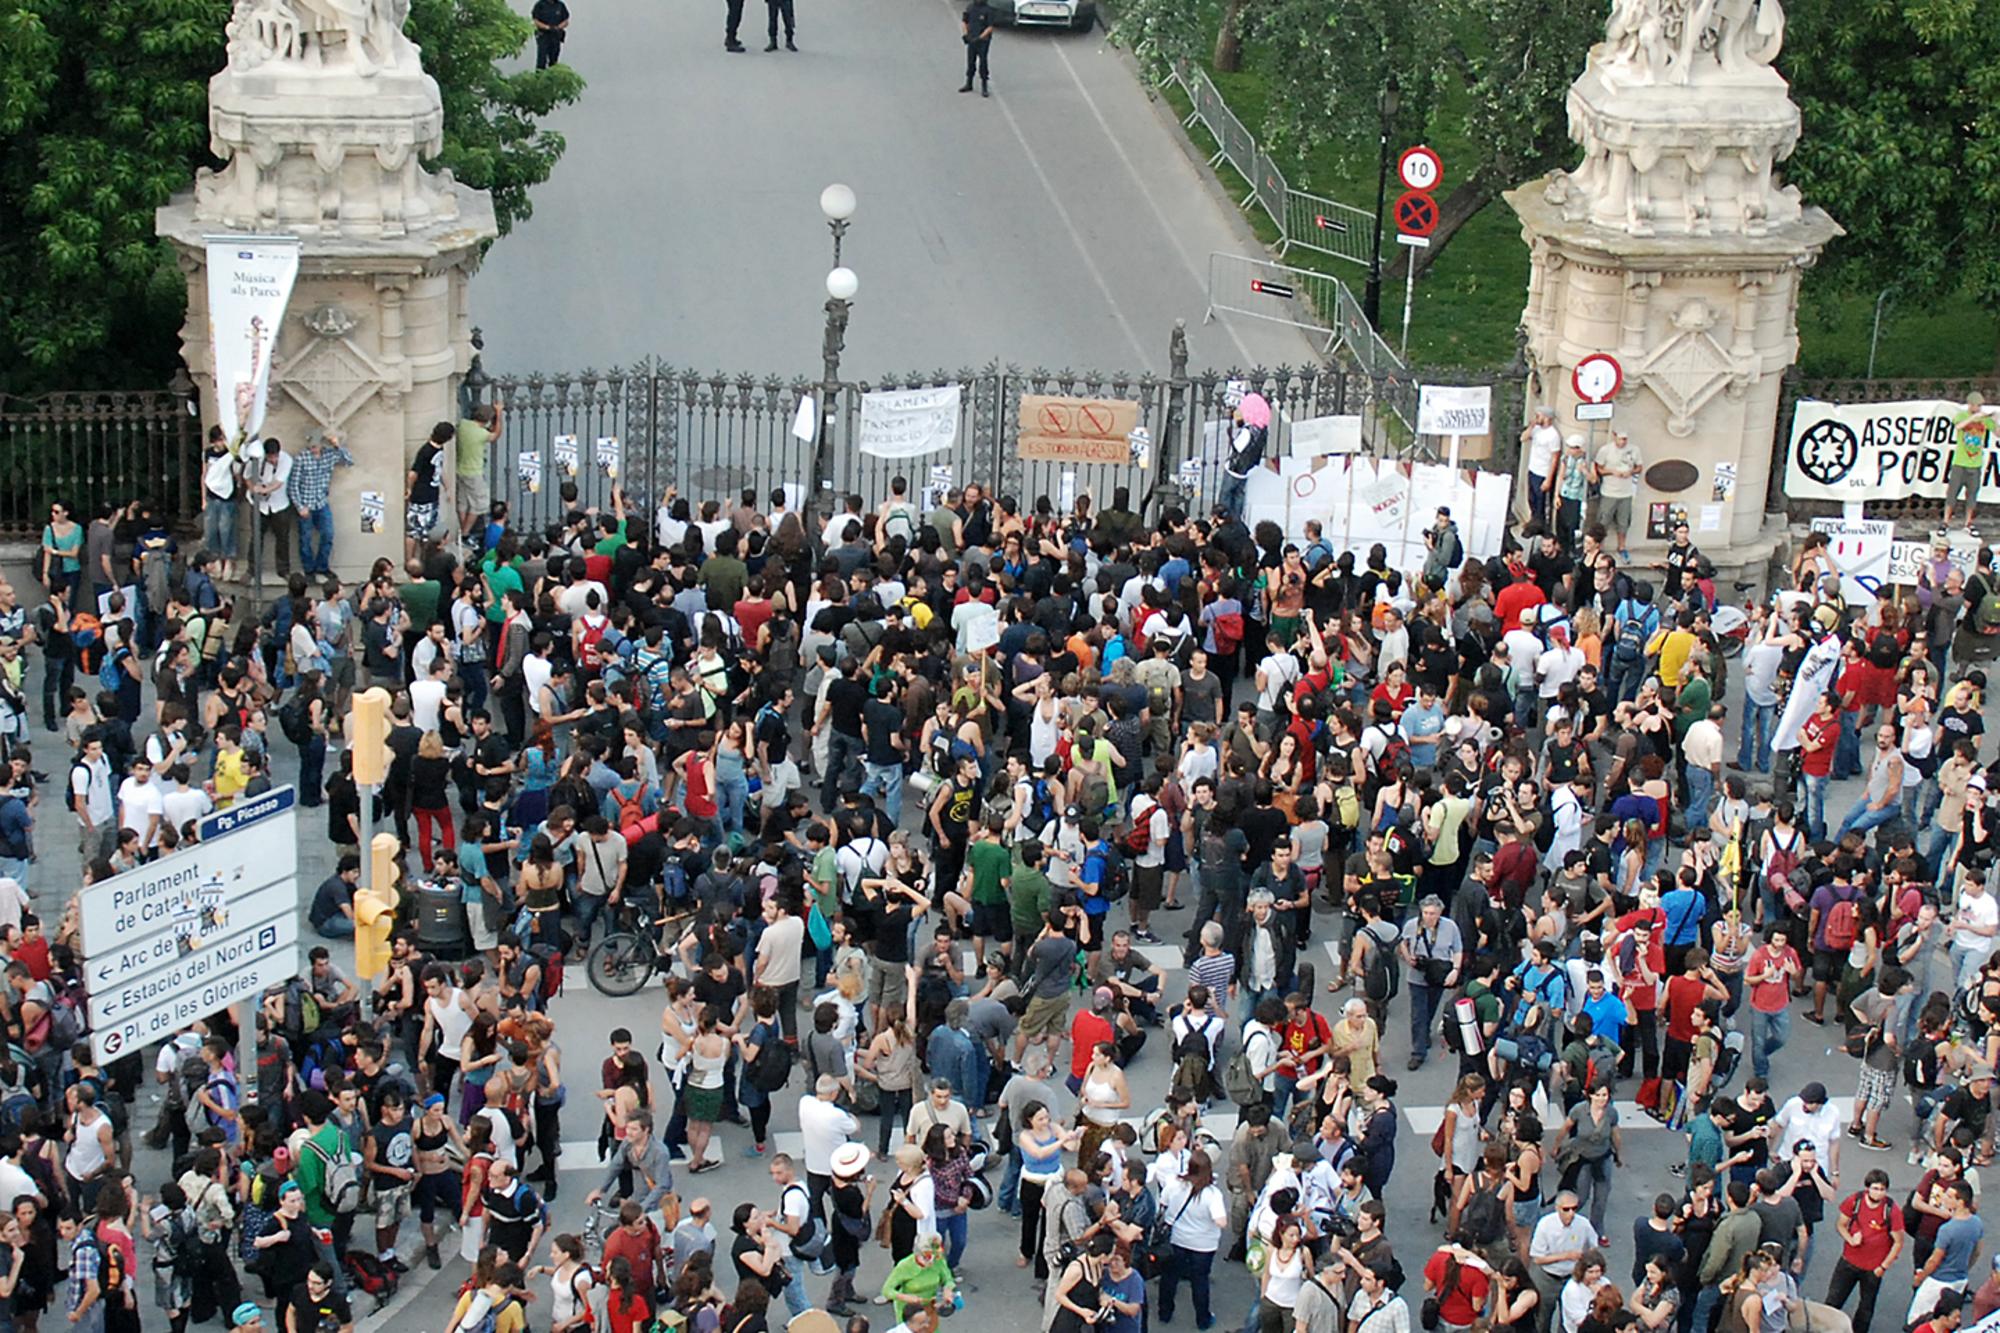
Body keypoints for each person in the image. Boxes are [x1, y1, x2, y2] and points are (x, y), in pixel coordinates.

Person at [959, 0, 995, 97]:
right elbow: (965, 21)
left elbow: (990, 27)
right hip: (972, 39)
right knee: (971, 61)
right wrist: (966, 35)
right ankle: (969, 83)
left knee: (983, 62)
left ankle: (984, 86)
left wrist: (980, 38)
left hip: (983, 41)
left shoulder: (988, 10)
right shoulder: (970, 7)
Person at [532, 0, 570, 66]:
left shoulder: (560, 5)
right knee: (542, 59)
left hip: (555, 35)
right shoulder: (540, 5)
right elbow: (536, 21)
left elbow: (566, 21)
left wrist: (558, 27)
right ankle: (540, 72)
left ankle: (552, 71)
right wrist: (547, 27)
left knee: (554, 59)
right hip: (543, 35)